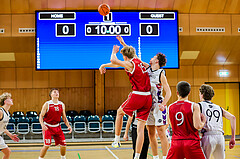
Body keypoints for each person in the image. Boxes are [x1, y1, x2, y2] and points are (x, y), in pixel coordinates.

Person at [116, 35, 171, 159]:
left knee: (161, 132)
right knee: (151, 133)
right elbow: (133, 56)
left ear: (157, 61)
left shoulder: (161, 73)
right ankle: (156, 157)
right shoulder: (147, 68)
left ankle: (165, 157)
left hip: (158, 104)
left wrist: (164, 104)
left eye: (153, 57)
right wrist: (123, 43)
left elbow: (169, 92)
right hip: (148, 104)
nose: (151, 58)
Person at [99, 43, 152, 159]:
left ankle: (116, 140)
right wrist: (104, 65)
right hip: (148, 98)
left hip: (138, 95)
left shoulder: (130, 64)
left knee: (119, 112)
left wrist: (114, 51)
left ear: (125, 57)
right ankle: (137, 156)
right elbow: (118, 65)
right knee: (141, 129)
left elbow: (114, 60)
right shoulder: (138, 61)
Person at [167, 81, 206, 159]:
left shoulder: (170, 107)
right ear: (189, 92)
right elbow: (197, 126)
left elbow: (171, 125)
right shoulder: (194, 105)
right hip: (191, 142)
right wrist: (203, 121)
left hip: (176, 143)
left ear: (177, 93)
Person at [198, 84, 236, 159]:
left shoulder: (199, 105)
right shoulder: (218, 107)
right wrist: (233, 137)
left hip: (207, 136)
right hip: (220, 137)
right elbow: (233, 117)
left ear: (202, 95)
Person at [39, 88, 72, 159]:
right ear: (51, 95)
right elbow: (41, 116)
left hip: (57, 127)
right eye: (54, 92)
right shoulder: (47, 104)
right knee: (47, 145)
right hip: (48, 126)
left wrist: (68, 126)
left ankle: (63, 157)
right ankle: (40, 158)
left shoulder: (61, 104)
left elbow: (64, 117)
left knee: (63, 144)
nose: (57, 93)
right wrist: (42, 125)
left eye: (57, 92)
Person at [0, 92, 20, 159]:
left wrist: (10, 135)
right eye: (10, 99)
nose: (12, 100)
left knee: (7, 152)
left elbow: (3, 127)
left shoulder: (7, 113)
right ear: (5, 101)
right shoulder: (0, 112)